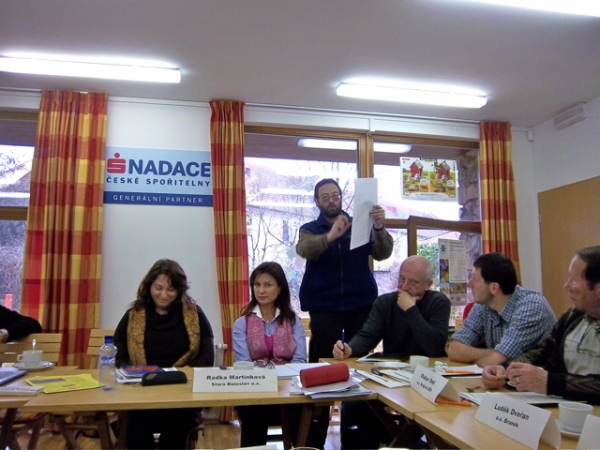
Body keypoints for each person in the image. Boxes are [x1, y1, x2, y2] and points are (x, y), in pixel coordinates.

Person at [333, 255, 451, 449]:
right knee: (353, 405)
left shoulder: (438, 302)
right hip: (391, 377)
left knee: (421, 412)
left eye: (412, 282)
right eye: (401, 279)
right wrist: (349, 348)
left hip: (426, 380)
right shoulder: (386, 302)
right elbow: (368, 335)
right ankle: (407, 443)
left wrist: (411, 310)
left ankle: (404, 442)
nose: (404, 287)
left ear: (428, 284)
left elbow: (435, 346)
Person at [114, 259, 215, 450]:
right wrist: (131, 374)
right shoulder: (133, 314)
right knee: (135, 434)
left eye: (170, 289)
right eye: (158, 288)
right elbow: (119, 354)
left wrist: (181, 375)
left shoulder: (194, 313)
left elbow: (207, 356)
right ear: (149, 286)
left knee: (175, 434)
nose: (163, 294)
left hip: (181, 393)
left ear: (179, 290)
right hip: (140, 392)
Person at [483, 246, 600, 404]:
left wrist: (550, 383)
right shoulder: (573, 317)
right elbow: (542, 352)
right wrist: (505, 369)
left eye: (574, 280)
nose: (566, 286)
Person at [296, 178, 394, 362]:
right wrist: (330, 237)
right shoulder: (310, 229)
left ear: (341, 197)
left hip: (360, 303)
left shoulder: (360, 224)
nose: (331, 201)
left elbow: (383, 253)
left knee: (358, 358)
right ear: (317, 201)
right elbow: (304, 249)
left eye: (335, 196)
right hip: (323, 305)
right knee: (322, 359)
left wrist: (379, 226)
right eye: (325, 197)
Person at [233, 262, 322, 448]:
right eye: (257, 285)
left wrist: (279, 379)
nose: (261, 291)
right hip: (256, 389)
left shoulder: (293, 321)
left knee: (302, 411)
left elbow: (299, 361)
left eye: (268, 285)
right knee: (254, 411)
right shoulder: (242, 323)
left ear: (280, 288)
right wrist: (269, 377)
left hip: (289, 389)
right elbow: (244, 364)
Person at [448, 252, 556, 367]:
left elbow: (492, 362)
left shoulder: (531, 306)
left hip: (543, 376)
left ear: (494, 288)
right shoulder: (484, 305)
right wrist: (494, 353)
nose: (469, 284)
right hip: (507, 376)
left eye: (475, 279)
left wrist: (487, 356)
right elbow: (453, 350)